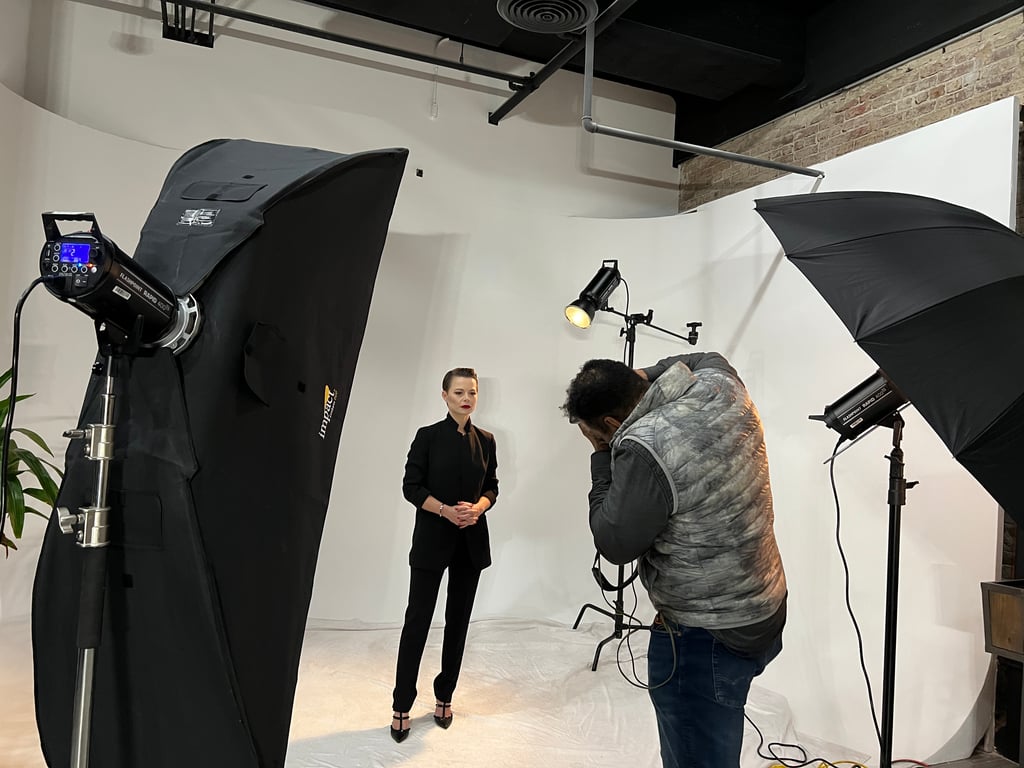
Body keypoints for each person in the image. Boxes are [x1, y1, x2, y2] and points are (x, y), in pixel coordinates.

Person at [561, 352, 787, 768]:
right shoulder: (720, 385)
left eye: (596, 434)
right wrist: (633, 379)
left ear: (611, 426)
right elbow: (704, 355)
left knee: (698, 757)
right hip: (764, 603)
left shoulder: (643, 446)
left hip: (707, 634)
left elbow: (615, 542)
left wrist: (599, 457)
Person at [390, 367, 499, 742]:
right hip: (432, 539)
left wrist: (479, 507)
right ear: (444, 396)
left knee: (458, 623)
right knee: (418, 619)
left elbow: (492, 487)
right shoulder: (428, 437)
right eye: (458, 392)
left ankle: (444, 696)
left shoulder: (486, 440)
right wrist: (445, 510)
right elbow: (411, 487)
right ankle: (402, 703)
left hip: (471, 541)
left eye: (471, 392)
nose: (466, 398)